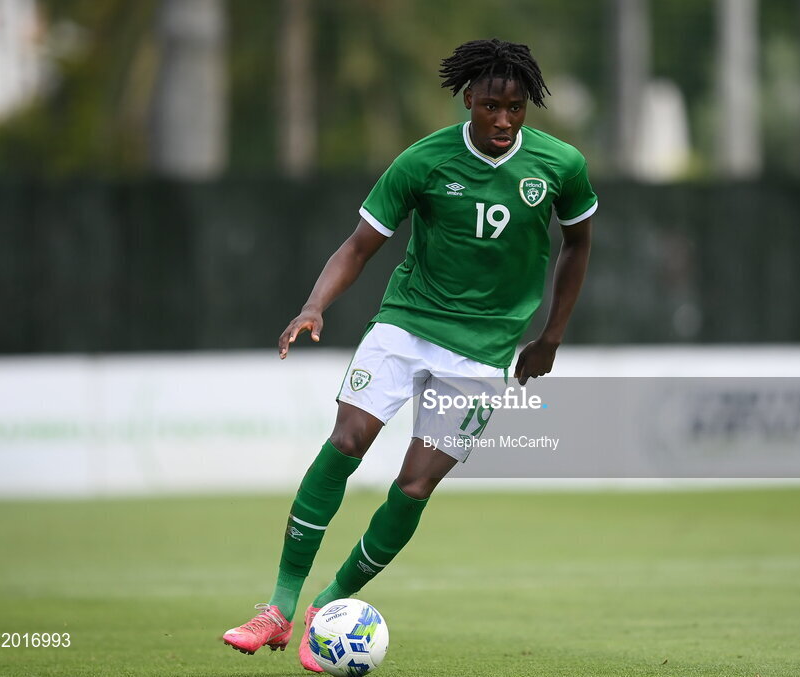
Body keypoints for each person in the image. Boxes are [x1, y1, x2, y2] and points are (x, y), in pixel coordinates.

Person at [221, 38, 596, 672]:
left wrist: (551, 336)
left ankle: (327, 610)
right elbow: (359, 246)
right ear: (468, 100)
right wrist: (315, 305)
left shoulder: (561, 165)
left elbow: (578, 246)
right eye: (491, 106)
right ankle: (278, 609)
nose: (504, 121)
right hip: (407, 324)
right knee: (346, 440)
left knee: (414, 485)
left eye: (516, 108)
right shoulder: (424, 161)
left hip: (483, 352)